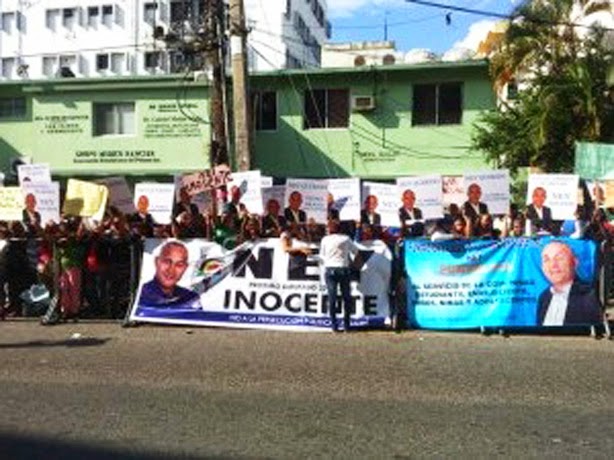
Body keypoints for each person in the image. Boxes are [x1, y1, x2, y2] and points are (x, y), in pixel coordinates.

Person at [537, 241, 602, 326]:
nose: (553, 265)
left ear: (575, 262)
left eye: (559, 258)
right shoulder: (544, 297)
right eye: (546, 260)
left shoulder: (590, 296)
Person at [319, 219, 360, 332]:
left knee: (332, 298)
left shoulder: (325, 239)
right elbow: (356, 251)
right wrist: (353, 264)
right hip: (343, 268)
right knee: (346, 298)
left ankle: (334, 325)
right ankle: (347, 325)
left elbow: (322, 255)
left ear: (329, 229)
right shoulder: (345, 238)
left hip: (330, 269)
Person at [138, 241, 200, 309]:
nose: (171, 270)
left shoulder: (191, 298)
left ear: (185, 268)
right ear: (156, 261)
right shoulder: (139, 295)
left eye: (179, 265)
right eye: (167, 262)